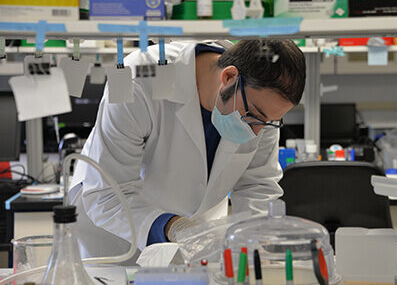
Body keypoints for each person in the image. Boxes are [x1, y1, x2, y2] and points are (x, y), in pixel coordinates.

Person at [69, 39, 306, 260]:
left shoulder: (262, 109)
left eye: (268, 123)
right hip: (115, 237)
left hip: (197, 239)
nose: (256, 132)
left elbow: (257, 186)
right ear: (229, 76)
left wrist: (257, 247)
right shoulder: (139, 79)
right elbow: (108, 194)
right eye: (254, 116)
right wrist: (174, 227)